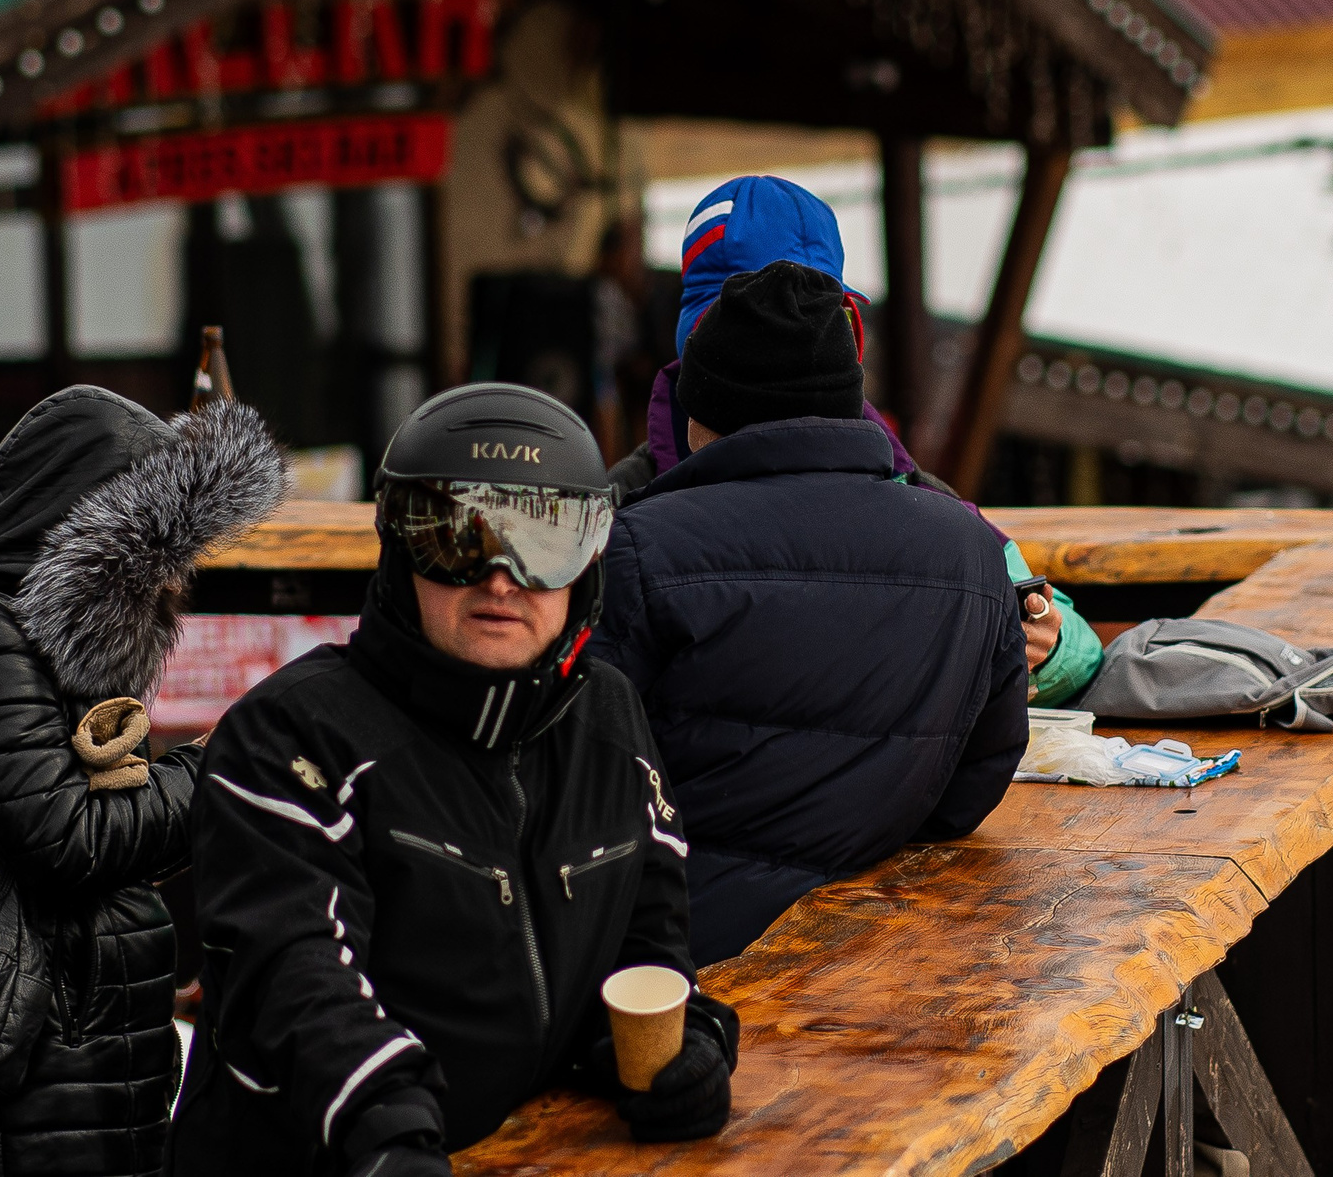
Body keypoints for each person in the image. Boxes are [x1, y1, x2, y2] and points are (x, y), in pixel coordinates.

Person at [171, 384, 736, 1176]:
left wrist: (680, 1047)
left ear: (588, 566)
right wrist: (390, 1132)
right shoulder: (293, 734)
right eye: (458, 538)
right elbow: (295, 975)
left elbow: (649, 936)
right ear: (402, 552)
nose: (501, 578)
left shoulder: (606, 719)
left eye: (542, 544)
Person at [0, 386, 289, 1177]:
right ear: (89, 540)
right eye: (154, 556)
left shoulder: (33, 645)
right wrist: (227, 759)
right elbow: (71, 838)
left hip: (70, 1054)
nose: (171, 584)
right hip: (27, 1070)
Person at [590, 261, 1031, 964]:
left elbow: (584, 785)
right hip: (891, 957)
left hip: (683, 960)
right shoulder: (973, 550)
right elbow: (981, 773)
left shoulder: (639, 547)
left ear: (704, 410)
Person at [620, 175, 1096, 702]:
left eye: (816, 316)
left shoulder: (909, 487)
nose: (785, 344)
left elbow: (1070, 637)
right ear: (699, 338)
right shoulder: (618, 508)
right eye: (756, 320)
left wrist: (1046, 646)